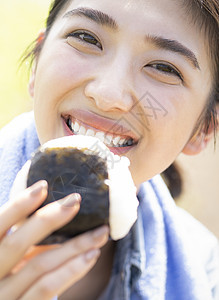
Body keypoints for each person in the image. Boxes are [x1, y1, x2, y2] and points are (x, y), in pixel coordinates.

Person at [0, 0, 219, 299]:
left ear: (204, 128)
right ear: (38, 62)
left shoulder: (207, 277)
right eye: (86, 38)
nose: (107, 95)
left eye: (163, 68)